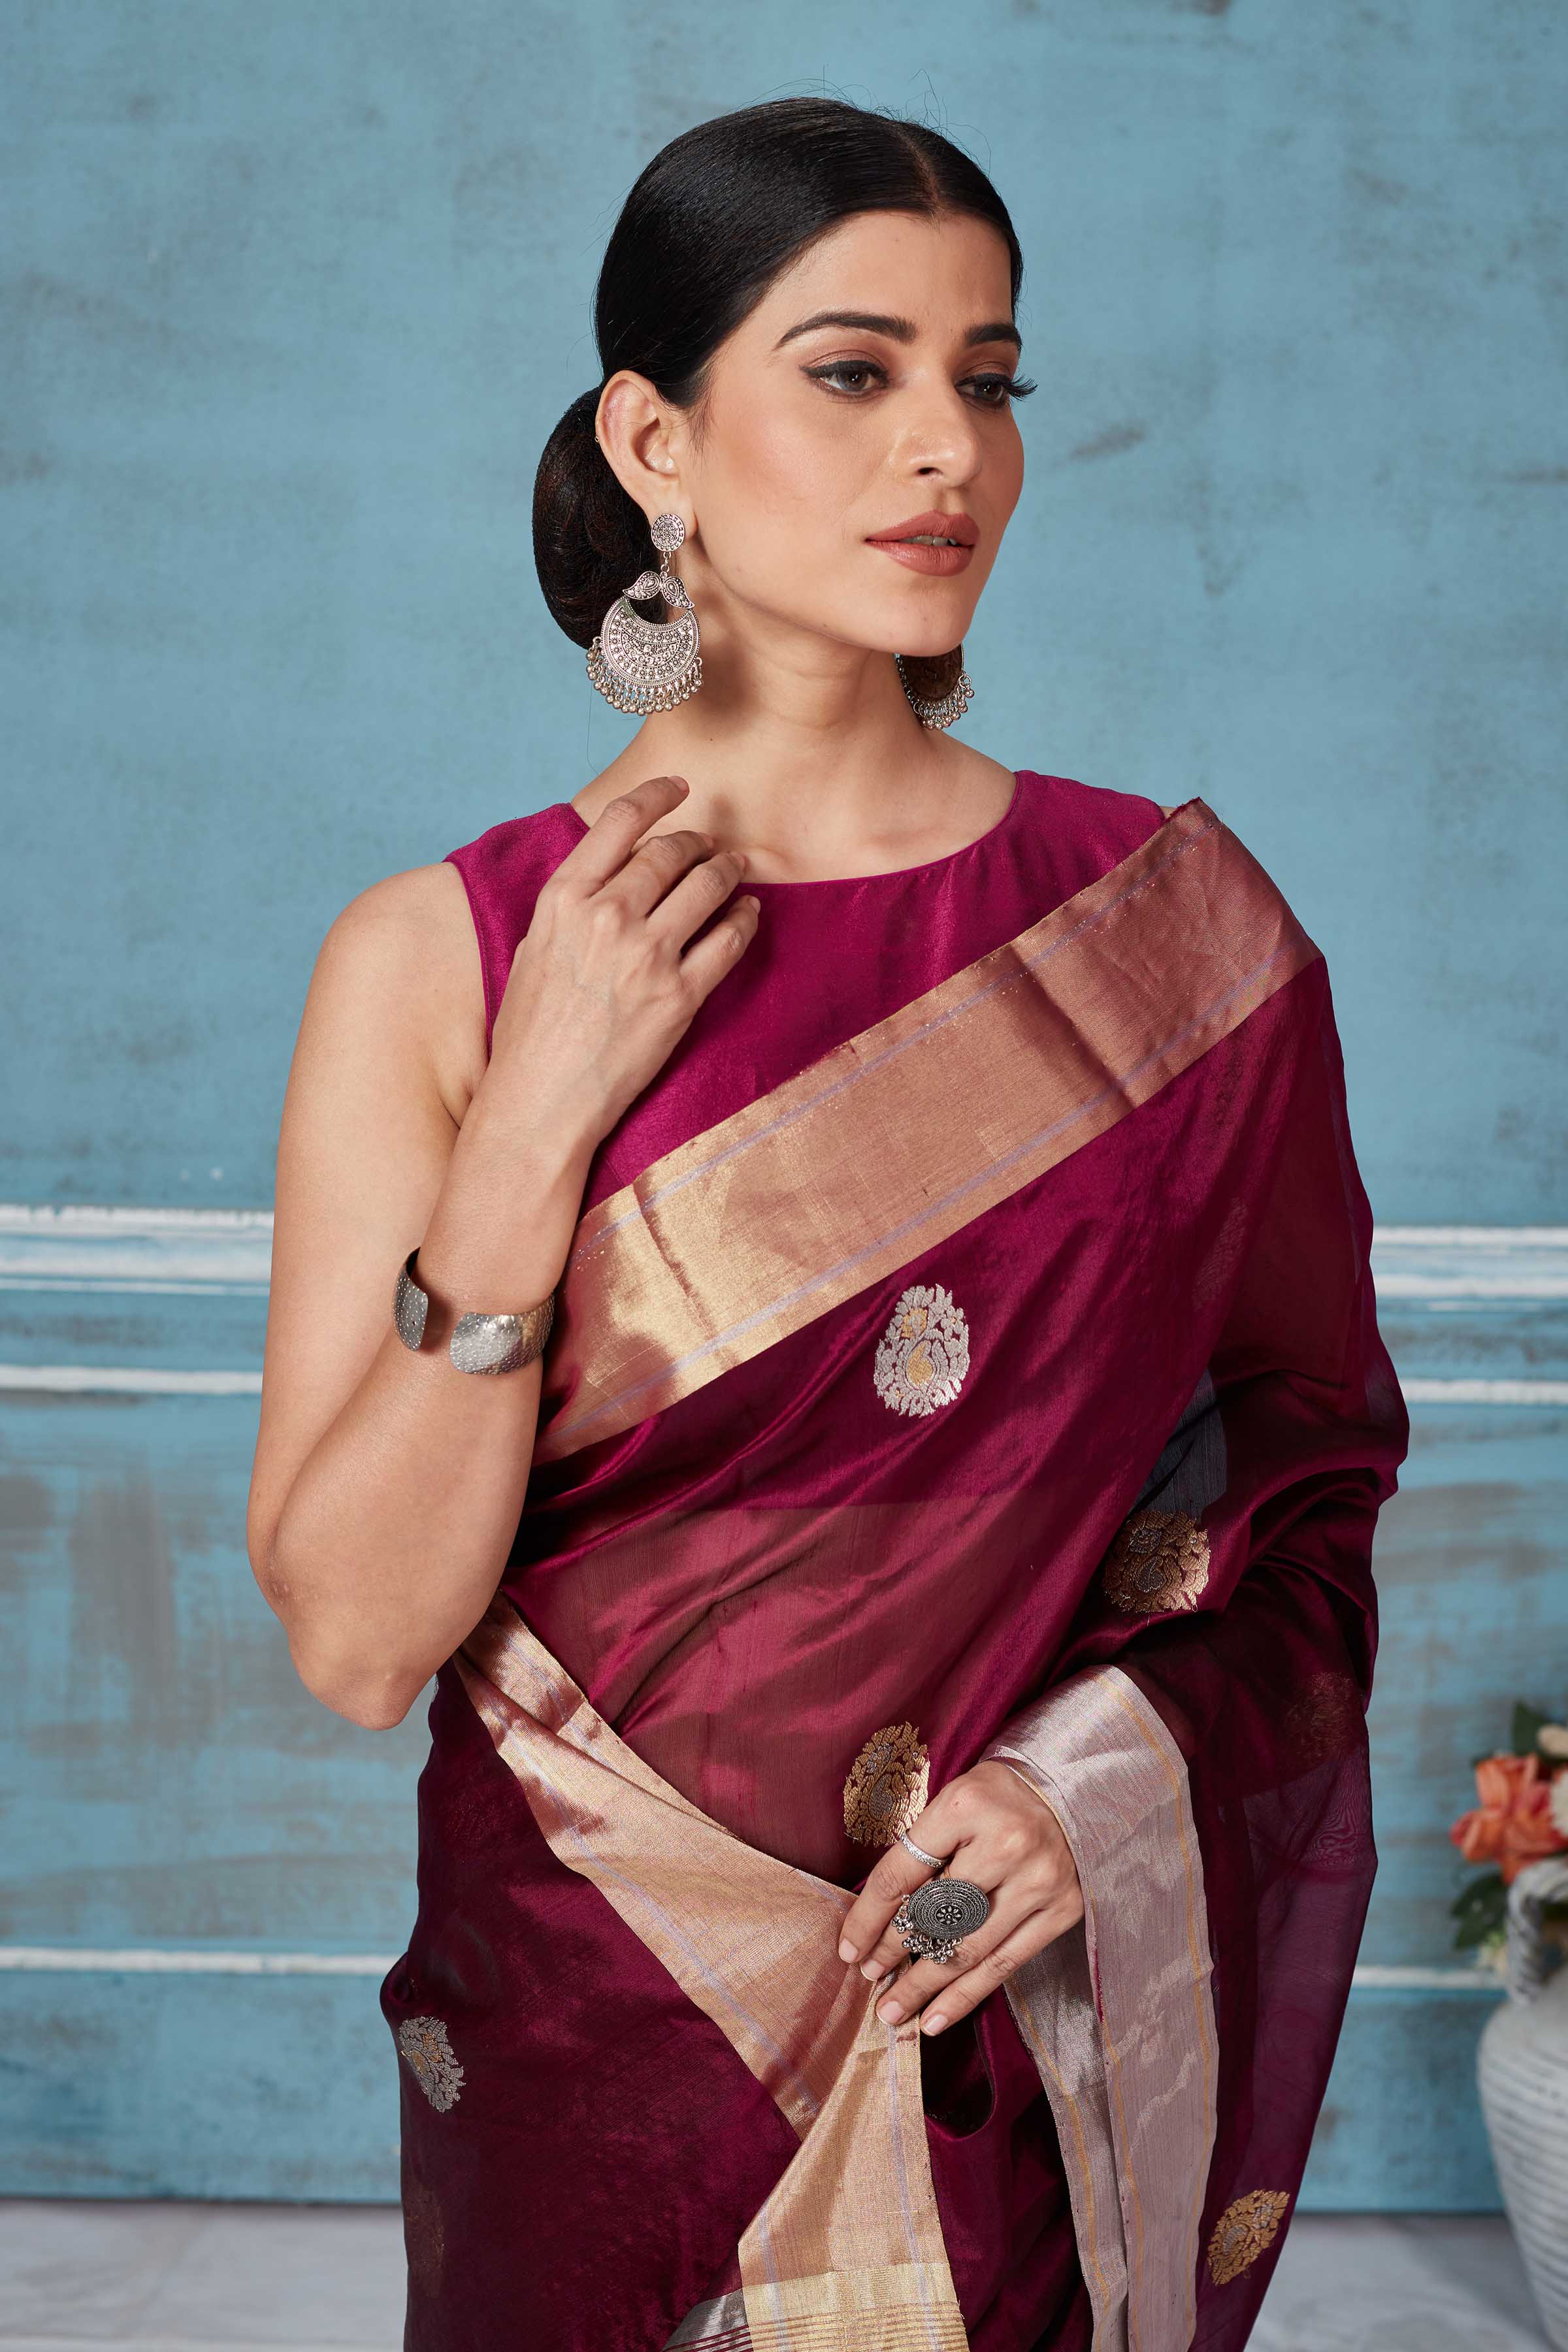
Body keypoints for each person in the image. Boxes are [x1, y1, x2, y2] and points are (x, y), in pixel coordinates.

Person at [247, 95, 1410, 2352]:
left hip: (993, 2020)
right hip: (589, 2027)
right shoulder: (439, 961)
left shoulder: (1169, 947)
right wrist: (535, 1126)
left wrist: (1091, 1795)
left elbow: (1309, 1500)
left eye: (989, 377)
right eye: (856, 372)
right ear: (654, 440)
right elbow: (361, 1642)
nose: (948, 448)